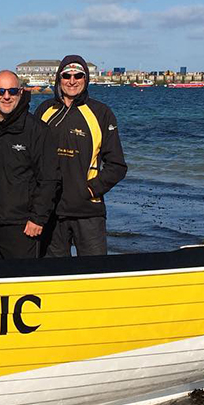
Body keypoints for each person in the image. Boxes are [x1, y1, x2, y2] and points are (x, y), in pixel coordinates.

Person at [36, 55, 127, 257]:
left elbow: (117, 166)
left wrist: (89, 189)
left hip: (88, 212)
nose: (72, 81)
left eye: (78, 76)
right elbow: (32, 158)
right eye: (66, 76)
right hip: (51, 212)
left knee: (94, 272)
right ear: (59, 79)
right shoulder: (44, 110)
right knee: (53, 273)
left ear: (86, 79)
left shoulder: (101, 113)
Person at [0, 70, 60, 260]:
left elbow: (49, 179)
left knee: (21, 278)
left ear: (21, 92)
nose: (6, 96)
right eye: (0, 91)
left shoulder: (37, 130)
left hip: (22, 226)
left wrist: (38, 218)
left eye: (12, 91)